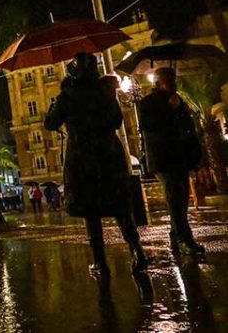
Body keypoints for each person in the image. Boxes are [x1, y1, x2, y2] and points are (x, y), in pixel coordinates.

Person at [45, 53, 148, 275]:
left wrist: (55, 104)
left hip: (82, 158)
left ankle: (100, 262)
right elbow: (117, 120)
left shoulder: (67, 96)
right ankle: (136, 249)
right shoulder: (104, 93)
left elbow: (50, 124)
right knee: (120, 206)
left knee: (90, 210)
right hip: (109, 154)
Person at [140, 67, 205, 256]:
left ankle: (175, 235)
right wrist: (171, 109)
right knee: (175, 198)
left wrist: (195, 156)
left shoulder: (178, 101)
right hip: (164, 158)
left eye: (174, 81)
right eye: (169, 81)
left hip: (180, 157)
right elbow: (149, 126)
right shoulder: (148, 103)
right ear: (158, 83)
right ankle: (184, 239)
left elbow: (187, 128)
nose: (173, 85)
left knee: (182, 198)